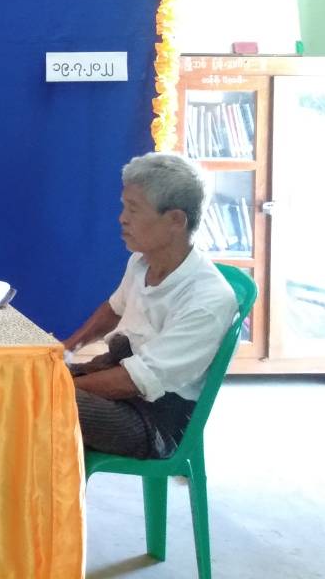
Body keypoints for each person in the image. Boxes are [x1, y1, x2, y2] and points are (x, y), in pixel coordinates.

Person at [63, 152, 237, 460]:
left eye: (133, 209)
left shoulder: (207, 299)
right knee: (22, 379)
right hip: (121, 375)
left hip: (154, 418)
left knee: (40, 402)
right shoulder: (141, 262)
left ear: (176, 220)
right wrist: (66, 349)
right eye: (123, 207)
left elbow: (137, 380)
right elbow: (114, 309)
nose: (122, 218)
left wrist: (59, 385)